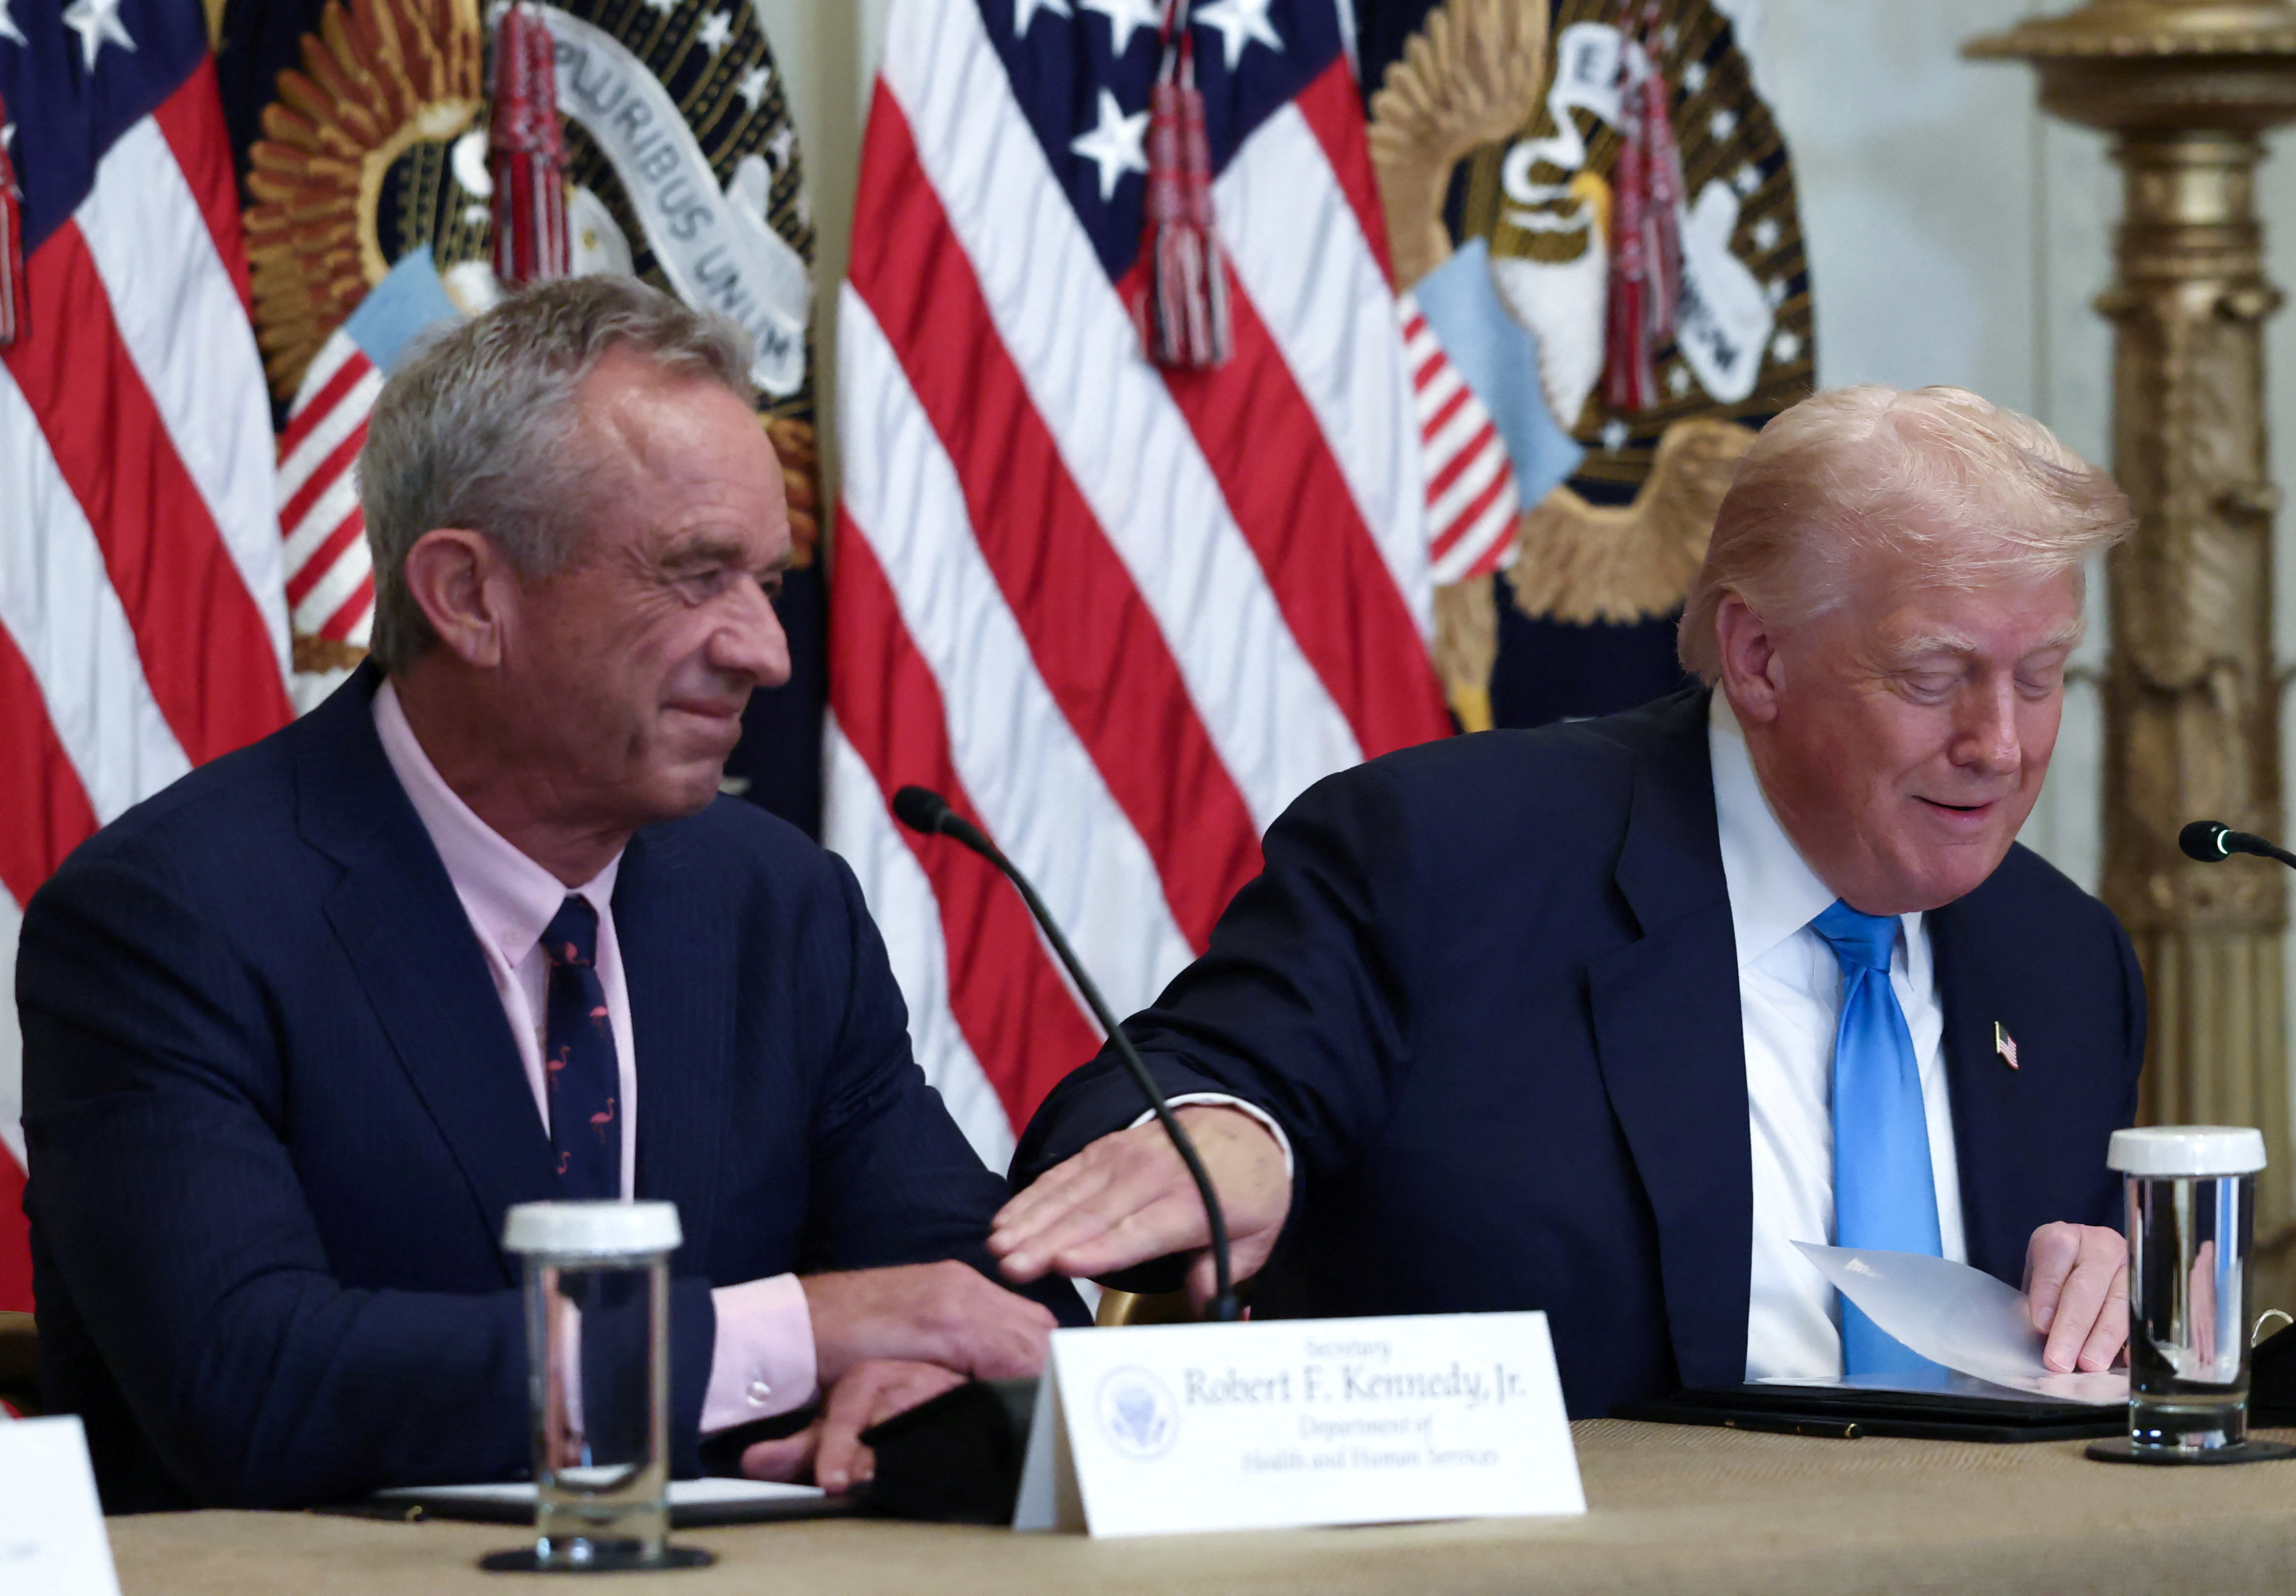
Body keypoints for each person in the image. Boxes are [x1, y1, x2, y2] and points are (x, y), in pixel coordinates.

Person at [16, 276, 1080, 1512]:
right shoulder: (176, 917)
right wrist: (790, 1337)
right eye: (695, 576)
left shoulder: (780, 907)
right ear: (470, 596)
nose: (765, 652)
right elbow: (248, 1381)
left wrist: (921, 1385)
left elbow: (979, 1305)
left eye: (767, 585)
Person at [991, 386, 2144, 1415]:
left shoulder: (2063, 960)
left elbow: (2068, 1344)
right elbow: (1160, 1096)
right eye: (1933, 678)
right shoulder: (1450, 861)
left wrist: (2118, 1306)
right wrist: (1226, 1135)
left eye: (2042, 678)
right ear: (1758, 659)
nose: (1999, 744)